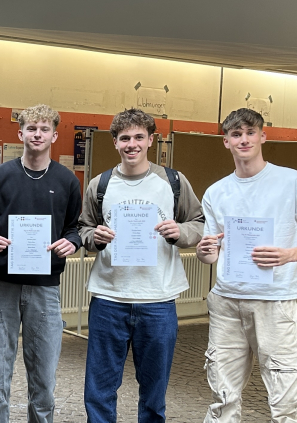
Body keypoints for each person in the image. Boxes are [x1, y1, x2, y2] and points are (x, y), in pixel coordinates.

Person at [197, 108, 297, 422]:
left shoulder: (293, 183)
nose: (243, 140)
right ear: (226, 142)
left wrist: (290, 255)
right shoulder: (216, 192)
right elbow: (211, 254)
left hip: (274, 301)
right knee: (222, 396)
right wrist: (205, 251)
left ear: (263, 136)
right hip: (226, 302)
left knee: (285, 396)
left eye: (250, 133)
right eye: (236, 134)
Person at [77, 108, 205, 423]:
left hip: (158, 300)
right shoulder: (101, 184)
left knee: (154, 390)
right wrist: (96, 237)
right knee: (100, 389)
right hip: (109, 298)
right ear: (115, 143)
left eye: (138, 137)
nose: (131, 144)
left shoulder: (173, 181)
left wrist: (180, 232)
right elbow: (82, 229)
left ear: (150, 139)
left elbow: (199, 224)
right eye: (124, 138)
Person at [0, 104, 82, 423]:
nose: (37, 134)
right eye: (31, 129)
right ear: (20, 134)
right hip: (1, 287)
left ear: (54, 135)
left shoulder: (66, 181)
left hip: (45, 289)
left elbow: (74, 227)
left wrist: (71, 242)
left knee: (44, 381)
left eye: (44, 129)